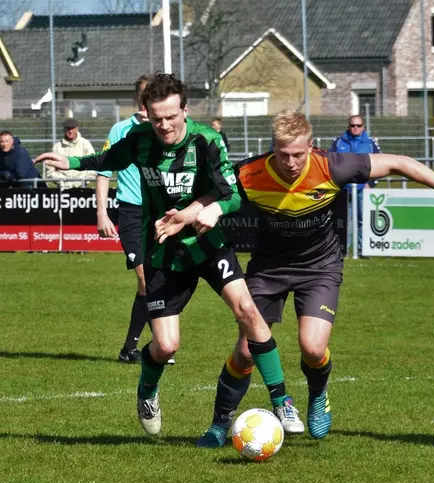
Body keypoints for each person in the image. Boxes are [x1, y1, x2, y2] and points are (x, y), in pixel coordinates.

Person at [155, 109, 434, 444]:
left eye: (298, 154)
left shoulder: (332, 166)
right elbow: (214, 196)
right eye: (283, 154)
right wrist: (185, 216)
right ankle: (218, 425)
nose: (290, 162)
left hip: (320, 268)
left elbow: (400, 162)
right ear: (273, 147)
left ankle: (318, 396)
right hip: (269, 268)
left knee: (313, 349)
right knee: (244, 350)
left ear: (311, 146)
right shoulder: (251, 173)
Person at [35, 73, 300, 441]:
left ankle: (282, 400)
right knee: (165, 345)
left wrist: (212, 210)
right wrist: (72, 165)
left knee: (248, 311)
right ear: (146, 113)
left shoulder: (207, 140)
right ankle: (146, 391)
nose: (164, 125)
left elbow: (233, 193)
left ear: (185, 110)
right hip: (163, 249)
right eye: (157, 117)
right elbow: (111, 157)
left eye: (171, 117)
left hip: (207, 244)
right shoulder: (140, 140)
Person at [96, 75, 166, 364]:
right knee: (145, 279)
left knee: (156, 281)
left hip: (160, 212)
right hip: (131, 211)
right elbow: (103, 171)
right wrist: (102, 212)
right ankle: (161, 342)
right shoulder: (121, 129)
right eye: (147, 96)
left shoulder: (165, 129)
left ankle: (132, 348)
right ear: (140, 99)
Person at [329, 115, 380, 257]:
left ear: (363, 126)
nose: (355, 128)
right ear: (348, 126)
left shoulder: (371, 143)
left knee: (362, 219)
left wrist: (370, 183)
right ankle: (344, 250)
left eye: (358, 125)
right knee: (344, 221)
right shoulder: (338, 142)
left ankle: (362, 250)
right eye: (352, 125)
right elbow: (330, 163)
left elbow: (380, 163)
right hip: (343, 189)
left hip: (361, 189)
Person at [46, 118, 95, 189]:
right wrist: (62, 182)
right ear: (64, 130)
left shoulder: (85, 144)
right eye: (68, 129)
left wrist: (80, 181)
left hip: (81, 188)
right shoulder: (57, 147)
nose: (70, 131)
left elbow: (93, 167)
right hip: (62, 188)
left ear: (77, 129)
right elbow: (50, 170)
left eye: (72, 128)